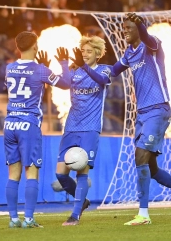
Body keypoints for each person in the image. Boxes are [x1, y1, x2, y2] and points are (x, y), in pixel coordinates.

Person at [111, 13, 171, 225]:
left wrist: (140, 24)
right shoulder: (129, 53)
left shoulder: (152, 45)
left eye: (129, 27)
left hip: (158, 109)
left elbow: (147, 36)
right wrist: (85, 68)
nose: (125, 31)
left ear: (139, 28)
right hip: (142, 114)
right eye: (124, 28)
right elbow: (112, 72)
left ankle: (144, 214)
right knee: (151, 167)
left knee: (139, 157)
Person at [4, 31, 70, 228]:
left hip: (10, 124)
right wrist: (64, 64)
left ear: (18, 47)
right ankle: (29, 219)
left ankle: (14, 219)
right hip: (28, 125)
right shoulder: (40, 70)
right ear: (35, 46)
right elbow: (65, 83)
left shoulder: (9, 68)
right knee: (31, 172)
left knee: (13, 174)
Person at [55, 35, 112, 226]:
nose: (85, 54)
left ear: (98, 53)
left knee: (81, 172)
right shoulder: (75, 71)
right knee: (61, 174)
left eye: (89, 51)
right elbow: (64, 84)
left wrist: (85, 67)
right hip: (71, 127)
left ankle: (75, 214)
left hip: (90, 129)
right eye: (83, 51)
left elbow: (101, 81)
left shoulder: (104, 70)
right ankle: (83, 201)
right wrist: (64, 64)